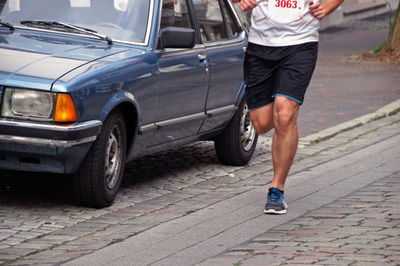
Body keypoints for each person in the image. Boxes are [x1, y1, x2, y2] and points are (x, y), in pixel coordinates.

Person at [239, 0, 343, 214]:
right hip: (260, 45)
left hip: (300, 44)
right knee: (261, 124)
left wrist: (328, 6)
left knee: (285, 115)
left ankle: (277, 188)